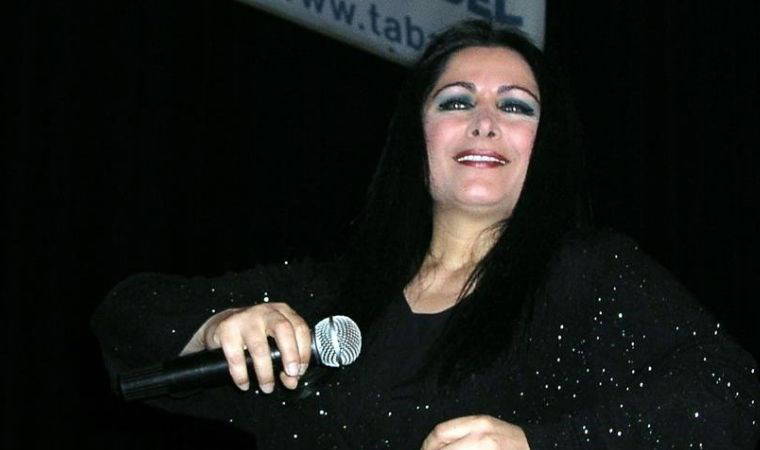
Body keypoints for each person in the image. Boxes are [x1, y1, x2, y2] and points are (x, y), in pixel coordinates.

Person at [92, 20, 760, 449]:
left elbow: (727, 395)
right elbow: (126, 314)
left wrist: (536, 445)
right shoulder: (331, 300)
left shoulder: (589, 277)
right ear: (419, 137)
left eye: (516, 107)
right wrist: (215, 328)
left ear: (546, 148)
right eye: (457, 100)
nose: (484, 121)